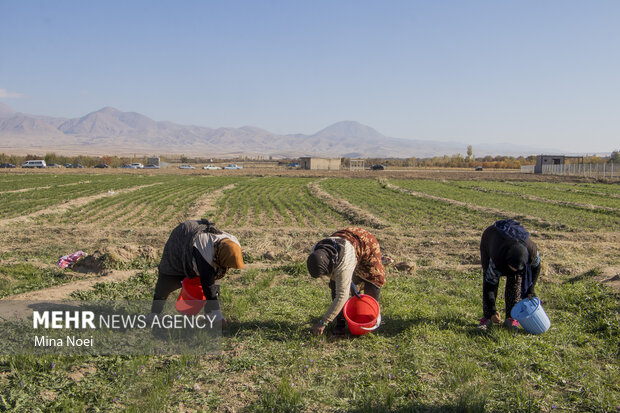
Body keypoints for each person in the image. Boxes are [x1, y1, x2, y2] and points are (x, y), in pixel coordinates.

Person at [148, 219, 245, 323]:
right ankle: (154, 314)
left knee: (215, 284)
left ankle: (210, 315)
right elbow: (207, 283)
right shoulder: (205, 251)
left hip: (204, 249)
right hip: (182, 238)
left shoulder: (233, 244)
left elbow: (212, 282)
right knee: (166, 282)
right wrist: (218, 315)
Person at [306, 227, 386, 335]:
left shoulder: (344, 260)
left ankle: (369, 318)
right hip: (345, 241)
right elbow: (336, 280)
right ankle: (340, 323)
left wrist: (323, 322)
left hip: (366, 243)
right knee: (335, 285)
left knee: (373, 279)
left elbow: (342, 296)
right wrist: (347, 283)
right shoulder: (315, 252)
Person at [479, 219, 541, 330]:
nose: (515, 271)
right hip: (491, 239)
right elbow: (489, 286)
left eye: (519, 269)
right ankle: (487, 318)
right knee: (489, 278)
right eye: (512, 268)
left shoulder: (531, 252)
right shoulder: (496, 259)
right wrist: (492, 309)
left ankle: (511, 318)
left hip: (515, 246)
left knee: (515, 279)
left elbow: (536, 268)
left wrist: (531, 289)